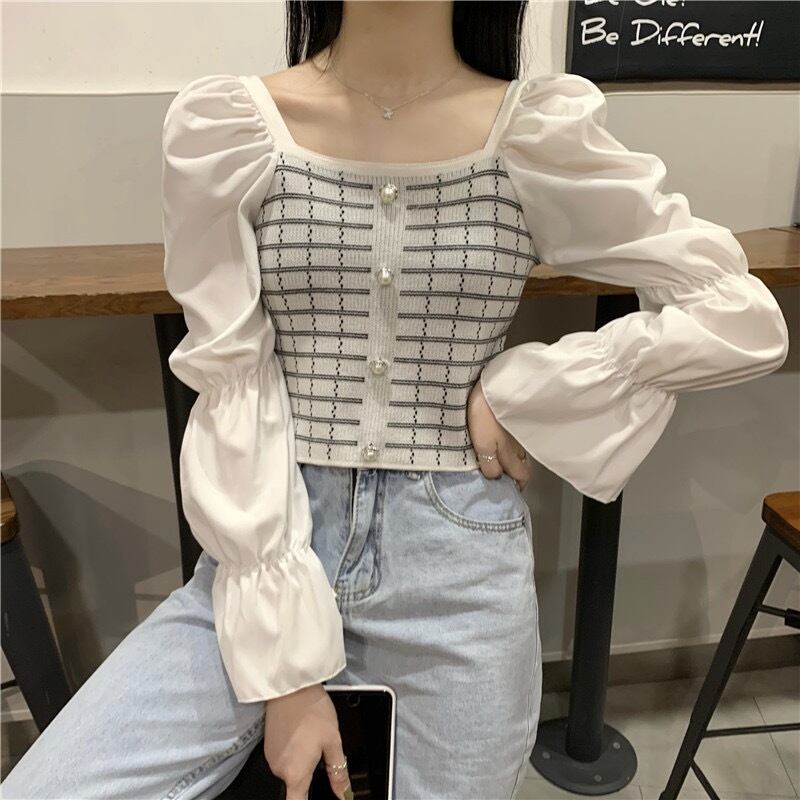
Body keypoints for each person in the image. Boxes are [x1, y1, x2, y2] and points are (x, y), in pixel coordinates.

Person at [2, 1, 789, 799]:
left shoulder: (533, 132)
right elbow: (233, 375)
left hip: (458, 570)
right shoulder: (233, 127)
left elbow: (736, 313)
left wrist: (529, 392)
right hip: (265, 548)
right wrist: (285, 671)